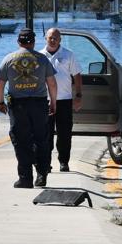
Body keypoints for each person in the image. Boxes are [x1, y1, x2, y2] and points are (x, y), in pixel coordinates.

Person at [0, 29, 58, 188]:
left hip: (18, 105)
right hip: (39, 104)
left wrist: (0, 103)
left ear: (18, 42)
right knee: (41, 139)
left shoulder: (9, 59)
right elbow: (52, 83)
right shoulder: (43, 59)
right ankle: (42, 175)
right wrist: (54, 102)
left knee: (21, 140)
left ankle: (25, 178)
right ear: (33, 42)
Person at [41, 28, 83, 173]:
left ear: (60, 40)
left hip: (64, 100)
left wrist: (78, 96)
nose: (53, 40)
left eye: (56, 38)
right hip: (45, 101)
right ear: (45, 38)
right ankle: (45, 163)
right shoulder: (40, 56)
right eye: (50, 37)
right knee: (45, 135)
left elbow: (77, 76)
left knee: (64, 134)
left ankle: (64, 162)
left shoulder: (68, 54)